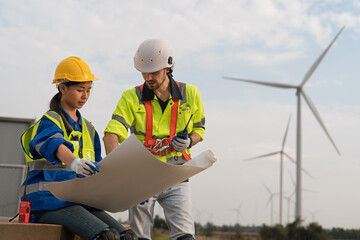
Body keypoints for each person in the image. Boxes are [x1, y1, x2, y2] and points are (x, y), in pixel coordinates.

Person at [20, 56, 137, 240]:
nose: (85, 96)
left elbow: (99, 170)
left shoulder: (89, 129)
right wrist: (74, 162)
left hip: (79, 201)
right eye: (80, 90)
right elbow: (54, 144)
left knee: (127, 236)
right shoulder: (49, 121)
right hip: (46, 202)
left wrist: (130, 189)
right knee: (106, 236)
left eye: (89, 90)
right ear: (62, 87)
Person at [103, 39, 206, 240]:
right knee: (138, 237)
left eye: (154, 72)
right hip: (143, 177)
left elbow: (199, 129)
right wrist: (117, 170)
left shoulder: (190, 94)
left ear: (168, 68)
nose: (148, 77)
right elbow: (111, 135)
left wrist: (190, 142)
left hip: (177, 174)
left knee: (185, 236)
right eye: (144, 72)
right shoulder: (131, 97)